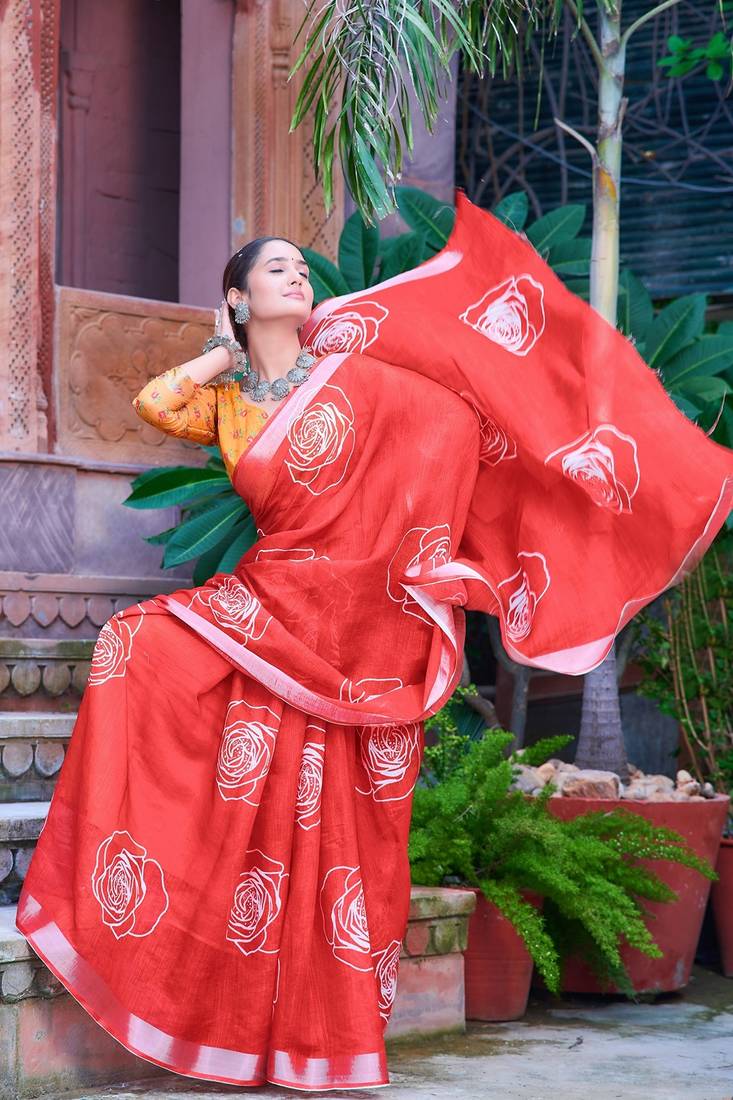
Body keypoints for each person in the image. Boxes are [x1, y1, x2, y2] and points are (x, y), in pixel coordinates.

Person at [15, 189, 733, 1092]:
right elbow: (158, 402)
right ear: (237, 296)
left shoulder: (363, 376)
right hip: (271, 604)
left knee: (338, 817)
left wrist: (549, 448)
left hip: (360, 626)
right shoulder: (230, 403)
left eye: (301, 267)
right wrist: (223, 349)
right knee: (134, 645)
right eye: (276, 269)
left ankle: (318, 1035)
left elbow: (456, 427)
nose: (298, 276)